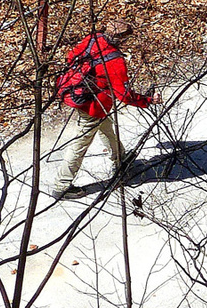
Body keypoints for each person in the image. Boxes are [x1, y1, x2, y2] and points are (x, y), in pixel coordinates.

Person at [50, 20, 157, 198]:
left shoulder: (93, 39)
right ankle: (61, 186)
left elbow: (71, 57)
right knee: (80, 143)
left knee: (106, 127)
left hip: (76, 94)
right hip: (92, 105)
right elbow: (123, 95)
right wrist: (147, 100)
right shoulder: (115, 61)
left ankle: (120, 159)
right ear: (121, 39)